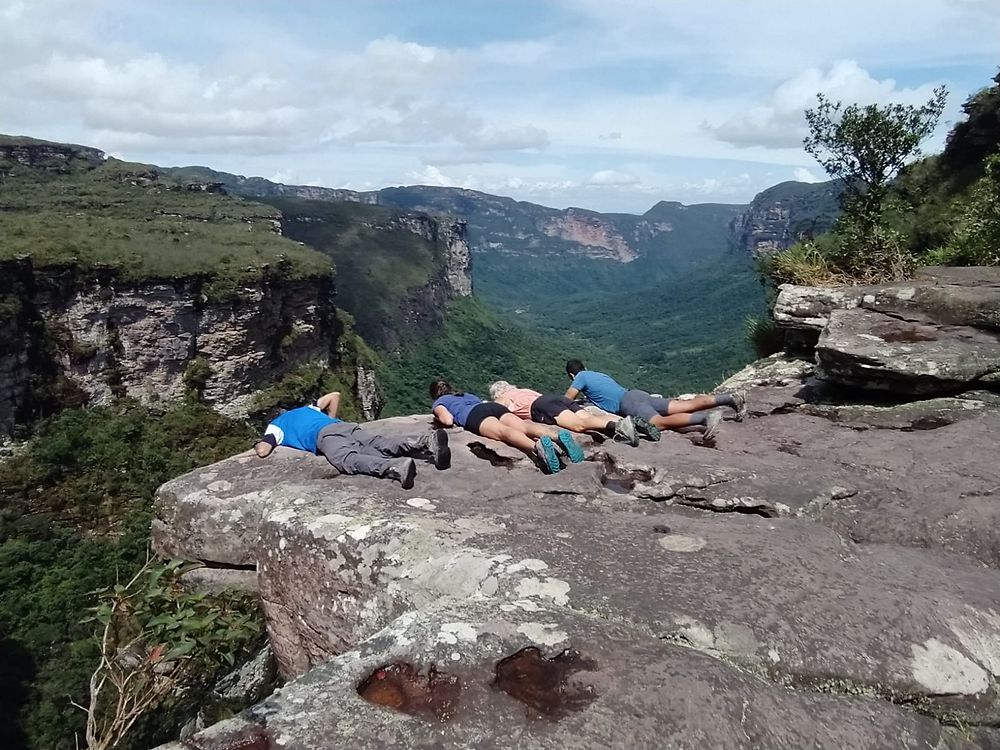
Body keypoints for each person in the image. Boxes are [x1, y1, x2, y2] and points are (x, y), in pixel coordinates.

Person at [254, 391, 450, 490]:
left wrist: (259, 442)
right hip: (343, 426)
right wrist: (331, 419)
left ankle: (396, 466)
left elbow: (264, 450)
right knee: (379, 442)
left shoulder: (276, 426)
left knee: (348, 460)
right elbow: (334, 395)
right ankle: (425, 441)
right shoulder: (307, 409)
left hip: (324, 437)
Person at [563, 359, 747, 442]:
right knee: (685, 405)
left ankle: (704, 419)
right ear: (585, 366)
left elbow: (568, 398)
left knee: (657, 423)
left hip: (628, 404)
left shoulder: (580, 377)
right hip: (638, 394)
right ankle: (729, 398)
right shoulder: (597, 374)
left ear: (572, 375)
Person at [429, 379, 582, 474]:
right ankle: (557, 436)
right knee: (523, 425)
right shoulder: (466, 395)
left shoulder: (440, 402)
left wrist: (437, 417)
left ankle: (537, 447)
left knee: (503, 432)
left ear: (435, 395)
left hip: (473, 415)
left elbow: (447, 420)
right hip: (491, 407)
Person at [488, 380, 640, 447]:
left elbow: (498, 411)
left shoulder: (503, 398)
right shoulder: (522, 390)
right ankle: (630, 423)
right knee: (589, 418)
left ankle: (620, 425)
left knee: (578, 425)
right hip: (553, 398)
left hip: (541, 406)